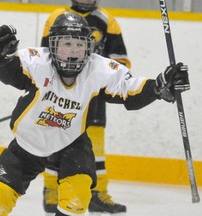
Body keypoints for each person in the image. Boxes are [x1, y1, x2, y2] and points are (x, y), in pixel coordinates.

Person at [0, 12, 189, 216]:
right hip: (28, 143)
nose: (73, 51)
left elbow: (129, 89)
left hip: (70, 144)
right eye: (67, 44)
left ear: (89, 47)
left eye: (80, 45)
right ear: (53, 45)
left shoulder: (98, 69)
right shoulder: (37, 61)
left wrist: (159, 85)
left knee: (77, 197)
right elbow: (11, 72)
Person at [40, 1, 131, 214]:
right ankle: (52, 189)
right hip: (61, 95)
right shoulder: (57, 16)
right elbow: (45, 56)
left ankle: (97, 193)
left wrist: (104, 76)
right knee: (56, 142)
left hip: (93, 96)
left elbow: (121, 60)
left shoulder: (107, 20)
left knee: (95, 148)